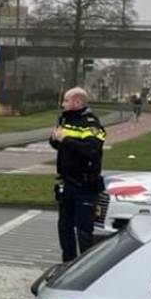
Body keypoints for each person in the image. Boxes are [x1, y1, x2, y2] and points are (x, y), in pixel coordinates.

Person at [50, 87, 106, 263]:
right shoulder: (66, 119)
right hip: (67, 181)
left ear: (77, 102)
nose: (63, 104)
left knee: (83, 230)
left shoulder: (91, 123)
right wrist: (55, 139)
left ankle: (85, 266)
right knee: (64, 227)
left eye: (66, 101)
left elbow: (91, 149)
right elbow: (61, 146)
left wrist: (65, 139)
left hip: (84, 184)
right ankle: (67, 264)